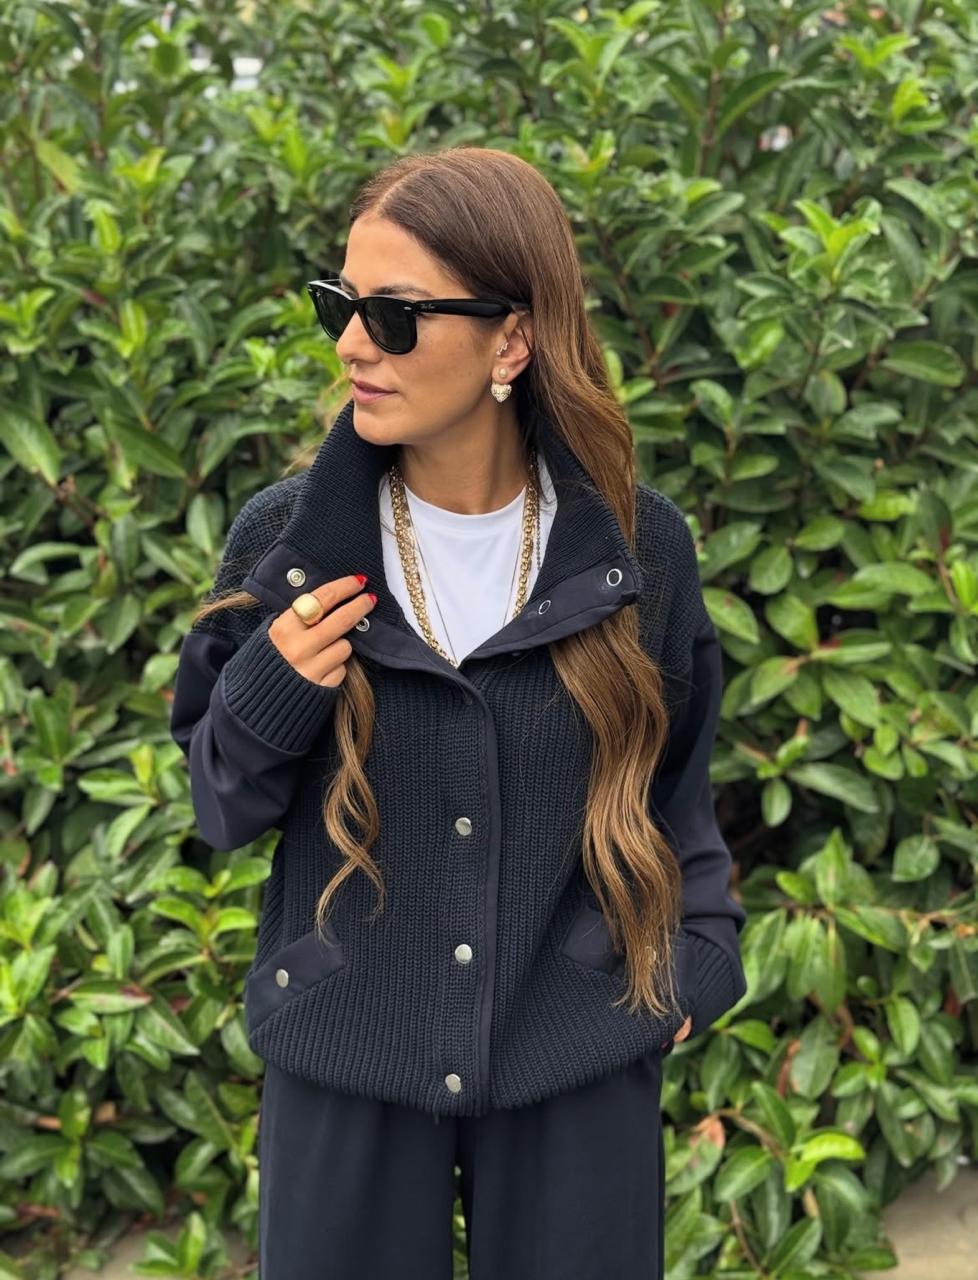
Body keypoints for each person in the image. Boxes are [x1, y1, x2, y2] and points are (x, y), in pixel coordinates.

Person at [170, 145, 746, 1280]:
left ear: (511, 341)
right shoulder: (289, 544)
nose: (351, 343)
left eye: (393, 315)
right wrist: (275, 684)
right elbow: (220, 809)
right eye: (340, 304)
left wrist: (703, 955)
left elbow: (675, 786)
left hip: (578, 1051)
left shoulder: (638, 546)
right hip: (345, 1059)